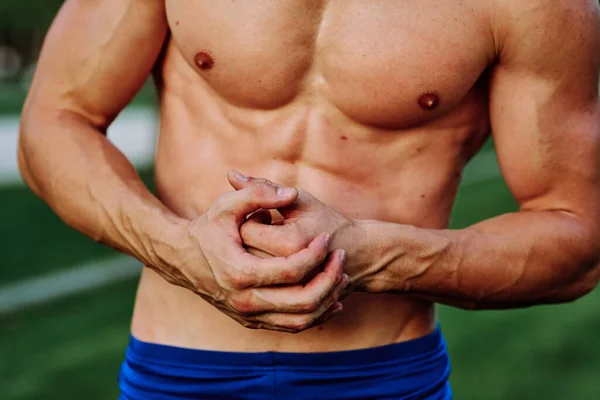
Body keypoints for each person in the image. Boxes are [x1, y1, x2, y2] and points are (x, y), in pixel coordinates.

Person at [18, 0, 600, 399]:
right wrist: (178, 251)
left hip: (381, 373)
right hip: (179, 364)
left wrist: (371, 254)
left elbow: (575, 237)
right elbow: (57, 121)